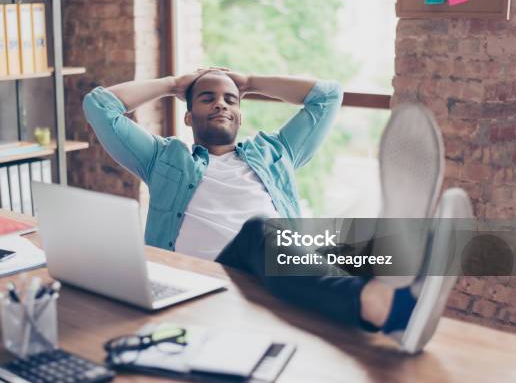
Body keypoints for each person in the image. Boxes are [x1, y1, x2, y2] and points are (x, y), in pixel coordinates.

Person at [83, 70, 471, 353]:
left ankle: (403, 287)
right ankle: (384, 301)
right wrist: (173, 85)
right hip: (217, 275)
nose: (221, 102)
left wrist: (251, 81)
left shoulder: (274, 153)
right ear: (188, 117)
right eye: (207, 98)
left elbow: (328, 96)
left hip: (284, 260)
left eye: (231, 99)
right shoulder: (164, 157)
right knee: (260, 231)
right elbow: (99, 106)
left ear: (240, 115)